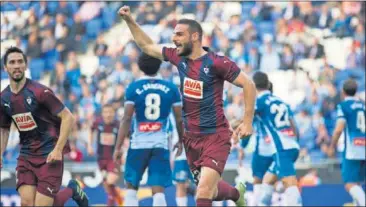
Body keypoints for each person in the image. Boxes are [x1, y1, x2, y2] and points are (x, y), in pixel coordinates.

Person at [118, 6, 257, 207]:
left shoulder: (217, 62)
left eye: (179, 34)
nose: (174, 39)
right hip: (191, 138)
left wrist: (247, 121)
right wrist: (129, 20)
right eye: (174, 34)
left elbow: (248, 84)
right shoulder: (178, 57)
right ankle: (236, 194)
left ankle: (234, 195)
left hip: (215, 136)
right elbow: (148, 47)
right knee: (210, 189)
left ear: (194, 37)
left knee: (203, 192)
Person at [0, 47, 88, 207]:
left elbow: (68, 117)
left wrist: (58, 149)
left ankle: (71, 190)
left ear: (26, 66)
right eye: (12, 62)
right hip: (27, 154)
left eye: (20, 62)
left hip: (49, 153)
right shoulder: (4, 98)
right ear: (5, 68)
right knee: (27, 203)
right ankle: (72, 190)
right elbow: (4, 128)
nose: (16, 65)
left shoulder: (40, 91)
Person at [113, 53, 184, 206]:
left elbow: (126, 119)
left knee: (131, 189)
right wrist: (181, 141)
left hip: (138, 144)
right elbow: (179, 118)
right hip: (160, 144)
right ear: (159, 66)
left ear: (139, 66)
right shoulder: (170, 88)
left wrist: (118, 147)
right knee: (158, 191)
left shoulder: (133, 87)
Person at [252, 72, 302, 206]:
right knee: (268, 180)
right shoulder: (282, 102)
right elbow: (294, 126)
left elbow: (246, 119)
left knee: (289, 182)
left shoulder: (259, 102)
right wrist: (296, 144)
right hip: (292, 145)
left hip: (281, 148)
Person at [328, 79, 365, 207]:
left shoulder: (343, 106)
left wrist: (332, 146)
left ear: (343, 92)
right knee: (357, 183)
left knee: (349, 183)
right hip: (364, 146)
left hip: (352, 150)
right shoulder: (363, 105)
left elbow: (339, 129)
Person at [87, 104, 123, 206]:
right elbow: (91, 130)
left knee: (110, 180)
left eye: (110, 112)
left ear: (114, 113)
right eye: (106, 112)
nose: (108, 115)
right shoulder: (98, 122)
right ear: (102, 114)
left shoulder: (118, 125)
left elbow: (127, 137)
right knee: (107, 185)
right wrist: (90, 145)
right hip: (101, 158)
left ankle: (111, 204)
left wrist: (124, 152)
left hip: (114, 159)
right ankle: (119, 198)